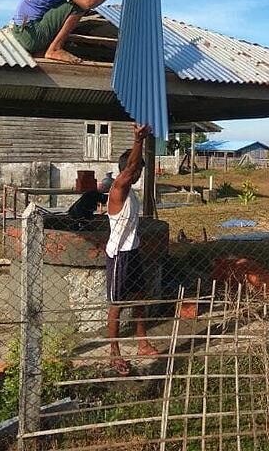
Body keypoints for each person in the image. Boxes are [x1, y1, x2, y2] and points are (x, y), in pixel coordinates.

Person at [106, 123, 160, 376]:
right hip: (119, 255)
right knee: (117, 304)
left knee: (140, 297)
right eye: (138, 169)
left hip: (133, 250)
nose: (139, 173)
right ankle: (114, 353)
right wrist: (138, 141)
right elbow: (130, 168)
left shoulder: (133, 195)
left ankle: (141, 342)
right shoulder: (118, 189)